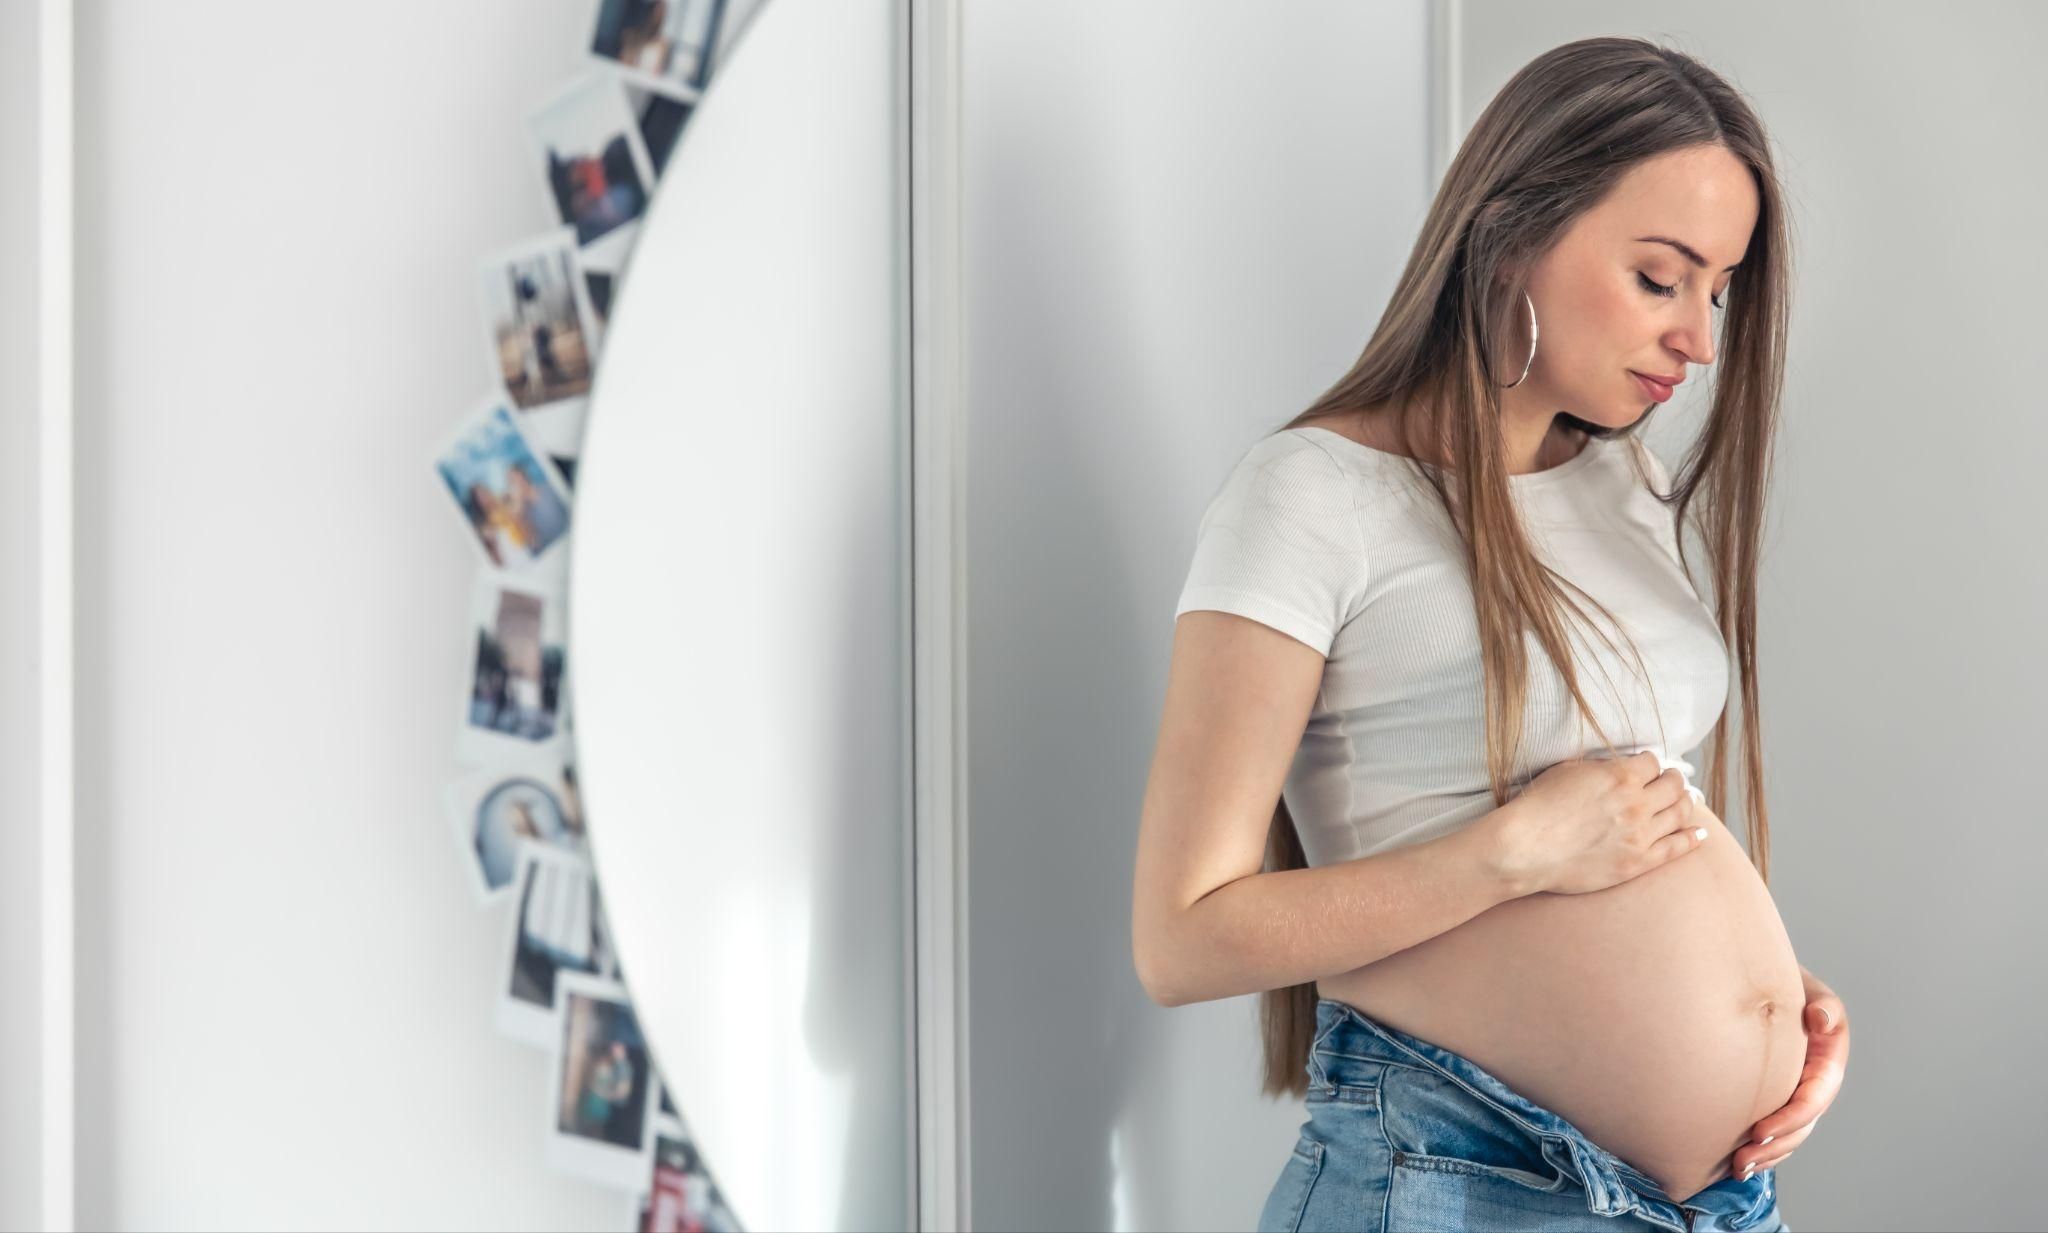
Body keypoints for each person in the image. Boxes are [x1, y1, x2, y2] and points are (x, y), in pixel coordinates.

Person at [1133, 36, 1848, 1233]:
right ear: (1510, 233)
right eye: (1660, 278)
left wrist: (1776, 1005)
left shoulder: (1625, 488)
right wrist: (1511, 858)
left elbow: (1629, 830)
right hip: (1463, 1178)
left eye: (1717, 290)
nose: (1700, 341)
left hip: (1716, 1198)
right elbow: (1181, 939)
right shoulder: (1311, 497)